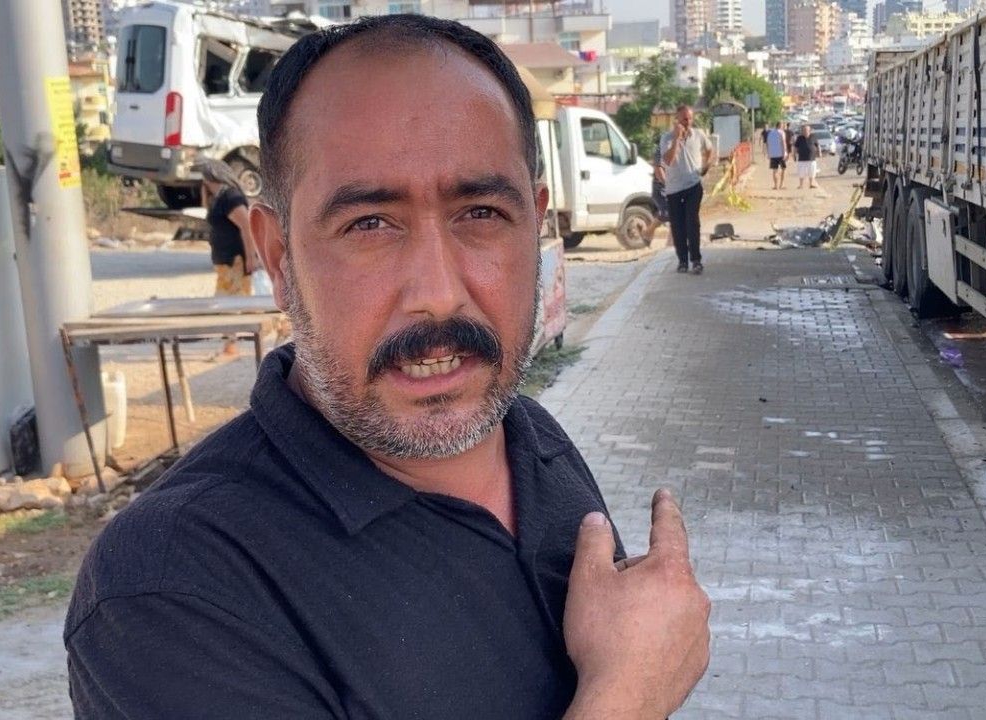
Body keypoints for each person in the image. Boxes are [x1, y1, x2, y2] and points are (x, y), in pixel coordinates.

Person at [65, 14, 710, 720]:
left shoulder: (533, 441)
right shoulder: (173, 588)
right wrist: (630, 694)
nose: (438, 292)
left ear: (536, 225)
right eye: (369, 224)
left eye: (481, 213)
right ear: (278, 257)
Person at [198, 158, 258, 357]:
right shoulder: (219, 198)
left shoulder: (230, 198)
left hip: (235, 260)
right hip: (225, 260)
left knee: (228, 303)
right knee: (229, 303)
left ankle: (231, 343)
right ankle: (231, 342)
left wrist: (250, 257)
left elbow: (246, 227)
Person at [659, 105, 715, 274]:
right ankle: (682, 261)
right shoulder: (667, 138)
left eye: (690, 118)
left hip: (693, 185)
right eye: (684, 119)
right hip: (674, 189)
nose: (688, 122)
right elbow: (668, 161)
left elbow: (710, 150)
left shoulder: (698, 135)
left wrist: (706, 165)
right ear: (677, 119)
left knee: (692, 222)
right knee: (678, 226)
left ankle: (696, 260)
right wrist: (677, 139)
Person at [794, 124, 820, 190]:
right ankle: (801, 185)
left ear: (809, 131)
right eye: (804, 130)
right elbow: (796, 147)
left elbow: (817, 145)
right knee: (801, 172)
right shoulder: (799, 138)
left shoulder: (813, 136)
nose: (805, 131)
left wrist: (819, 152)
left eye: (806, 130)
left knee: (812, 172)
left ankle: (811, 184)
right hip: (802, 159)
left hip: (812, 158)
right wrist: (794, 155)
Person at [766, 120, 788, 190]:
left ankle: (776, 186)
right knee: (783, 169)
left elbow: (768, 143)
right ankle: (781, 185)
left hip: (773, 154)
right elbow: (783, 143)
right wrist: (784, 152)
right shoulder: (781, 132)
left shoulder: (770, 133)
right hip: (781, 154)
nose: (784, 126)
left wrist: (769, 153)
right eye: (783, 125)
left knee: (775, 170)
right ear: (780, 125)